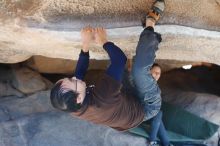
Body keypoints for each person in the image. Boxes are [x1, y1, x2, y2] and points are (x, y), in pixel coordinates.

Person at [50, 0, 172, 145]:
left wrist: (85, 44)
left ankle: (140, 76)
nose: (75, 78)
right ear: (78, 99)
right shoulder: (103, 97)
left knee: (114, 70)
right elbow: (120, 59)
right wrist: (103, 42)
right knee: (138, 71)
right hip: (146, 107)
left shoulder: (71, 105)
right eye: (73, 82)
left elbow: (79, 74)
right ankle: (150, 24)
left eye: (70, 78)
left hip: (124, 103)